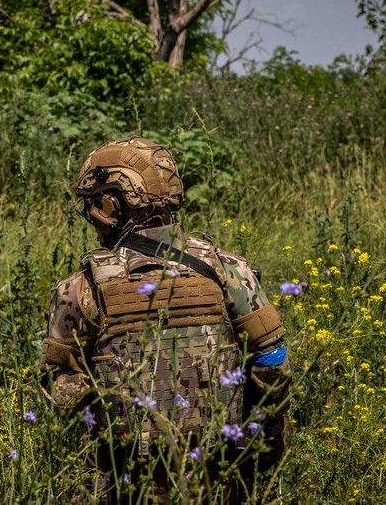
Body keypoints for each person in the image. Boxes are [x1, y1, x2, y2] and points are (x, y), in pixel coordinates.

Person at [40, 136, 291, 503]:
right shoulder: (228, 269)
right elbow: (273, 362)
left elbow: (60, 388)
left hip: (127, 481)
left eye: (94, 205)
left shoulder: (80, 288)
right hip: (217, 474)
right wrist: (258, 448)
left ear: (111, 205)